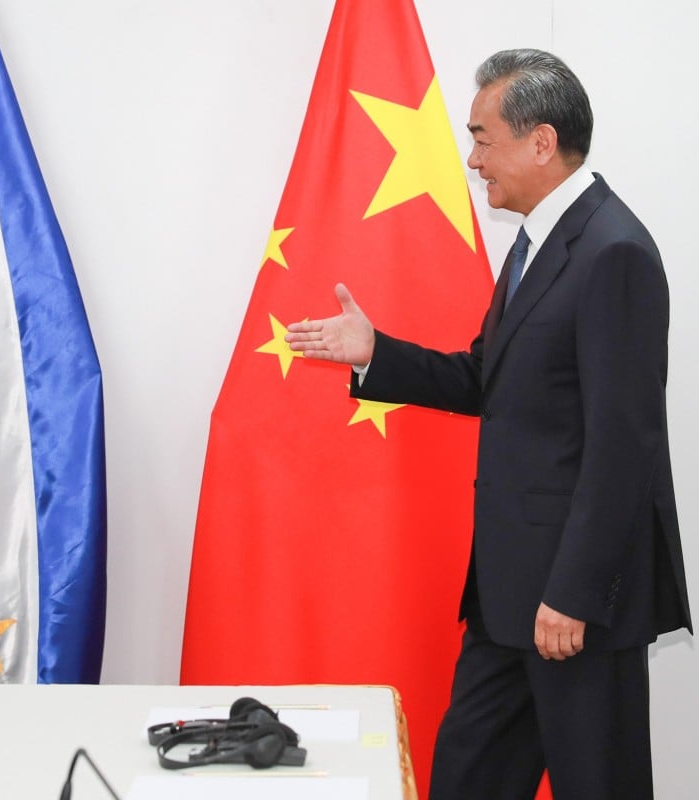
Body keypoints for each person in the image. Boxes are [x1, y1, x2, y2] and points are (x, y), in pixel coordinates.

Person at [287, 50, 690, 799]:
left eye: (482, 137)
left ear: (541, 141)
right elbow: (488, 379)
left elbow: (622, 444)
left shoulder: (615, 252)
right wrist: (379, 354)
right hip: (508, 597)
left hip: (574, 604)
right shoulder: (538, 243)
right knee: (468, 776)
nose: (472, 159)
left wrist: (574, 592)